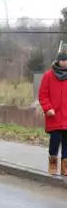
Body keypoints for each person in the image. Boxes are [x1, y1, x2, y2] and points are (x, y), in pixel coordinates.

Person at [38, 45, 67, 175]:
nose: (65, 62)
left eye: (66, 60)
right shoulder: (48, 75)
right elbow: (43, 95)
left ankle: (65, 166)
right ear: (57, 60)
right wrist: (48, 108)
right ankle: (53, 163)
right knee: (55, 140)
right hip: (54, 115)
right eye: (62, 60)